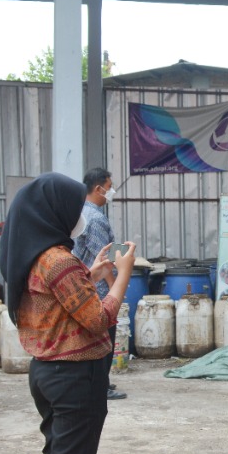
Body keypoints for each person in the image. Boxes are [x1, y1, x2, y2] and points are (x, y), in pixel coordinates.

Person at [1, 172, 135, 454]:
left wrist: (89, 275)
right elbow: (97, 319)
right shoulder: (58, 260)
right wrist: (122, 275)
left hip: (48, 371)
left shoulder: (35, 254)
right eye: (75, 206)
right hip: (75, 376)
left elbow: (57, 301)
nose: (81, 213)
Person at [72, 167, 127, 402]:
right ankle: (100, 386)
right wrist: (117, 288)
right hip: (98, 290)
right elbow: (104, 259)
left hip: (85, 285)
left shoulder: (81, 213)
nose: (111, 191)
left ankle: (98, 382)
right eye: (109, 186)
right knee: (105, 339)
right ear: (98, 188)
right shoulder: (95, 218)